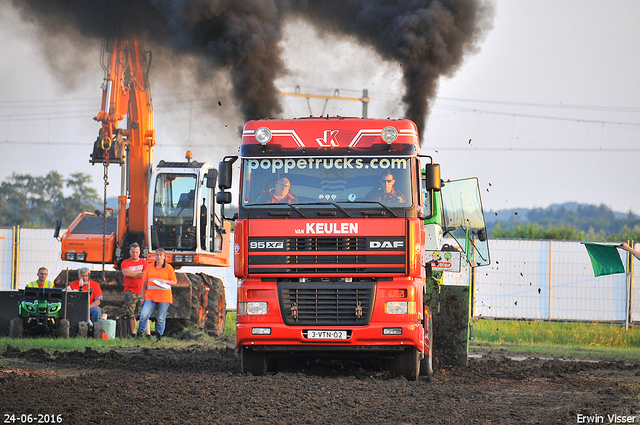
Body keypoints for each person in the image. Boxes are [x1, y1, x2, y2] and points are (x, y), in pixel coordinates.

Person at [138, 248, 178, 342]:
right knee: (144, 315)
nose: (159, 257)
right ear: (155, 256)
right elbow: (145, 283)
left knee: (160, 318)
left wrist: (166, 281)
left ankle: (158, 336)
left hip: (164, 297)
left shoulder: (168, 268)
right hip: (151, 296)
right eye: (157, 255)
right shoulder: (150, 267)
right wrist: (143, 296)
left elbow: (174, 282)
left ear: (164, 257)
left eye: (161, 255)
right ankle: (140, 334)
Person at [121, 243, 150, 338]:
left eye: (137, 252)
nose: (135, 254)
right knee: (131, 314)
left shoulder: (144, 263)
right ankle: (133, 333)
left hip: (142, 292)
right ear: (130, 252)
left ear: (139, 252)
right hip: (130, 291)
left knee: (144, 314)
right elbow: (126, 273)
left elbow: (145, 274)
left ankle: (147, 333)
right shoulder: (125, 262)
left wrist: (133, 273)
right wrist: (139, 272)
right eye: (133, 252)